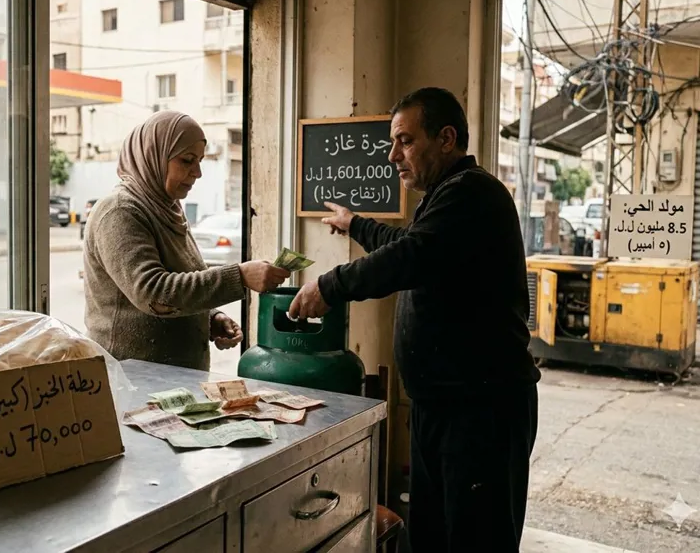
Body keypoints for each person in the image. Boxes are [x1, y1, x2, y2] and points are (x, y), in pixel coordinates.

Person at [289, 87, 540, 552]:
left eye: (404, 140)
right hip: (443, 406)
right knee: (430, 539)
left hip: (480, 413)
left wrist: (329, 286)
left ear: (446, 138)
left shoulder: (473, 193)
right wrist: (355, 223)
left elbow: (412, 253)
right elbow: (410, 243)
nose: (392, 156)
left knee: (474, 542)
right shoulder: (448, 196)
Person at [83, 110, 289, 371]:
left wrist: (211, 317)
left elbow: (185, 277)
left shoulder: (168, 209)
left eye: (200, 161)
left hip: (174, 380)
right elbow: (152, 292)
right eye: (186, 160)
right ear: (153, 156)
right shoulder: (120, 212)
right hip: (133, 380)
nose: (197, 172)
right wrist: (239, 276)